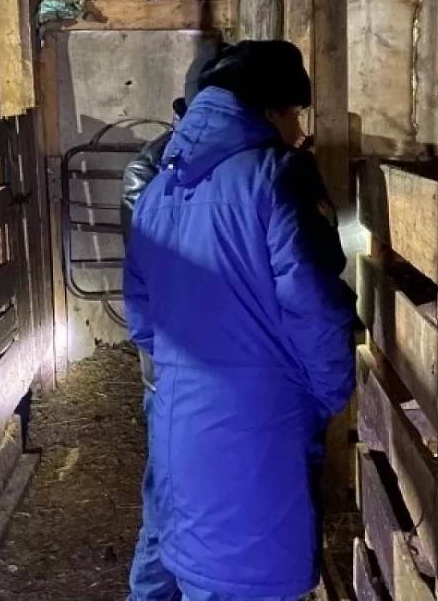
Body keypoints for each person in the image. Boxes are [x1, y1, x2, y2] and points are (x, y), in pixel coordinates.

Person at [123, 40, 356, 601]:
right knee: (248, 579)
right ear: (269, 111)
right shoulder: (276, 178)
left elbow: (143, 319)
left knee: (195, 571)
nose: (299, 129)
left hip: (180, 425)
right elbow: (315, 309)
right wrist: (324, 395)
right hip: (261, 428)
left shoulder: (158, 191)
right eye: (295, 114)